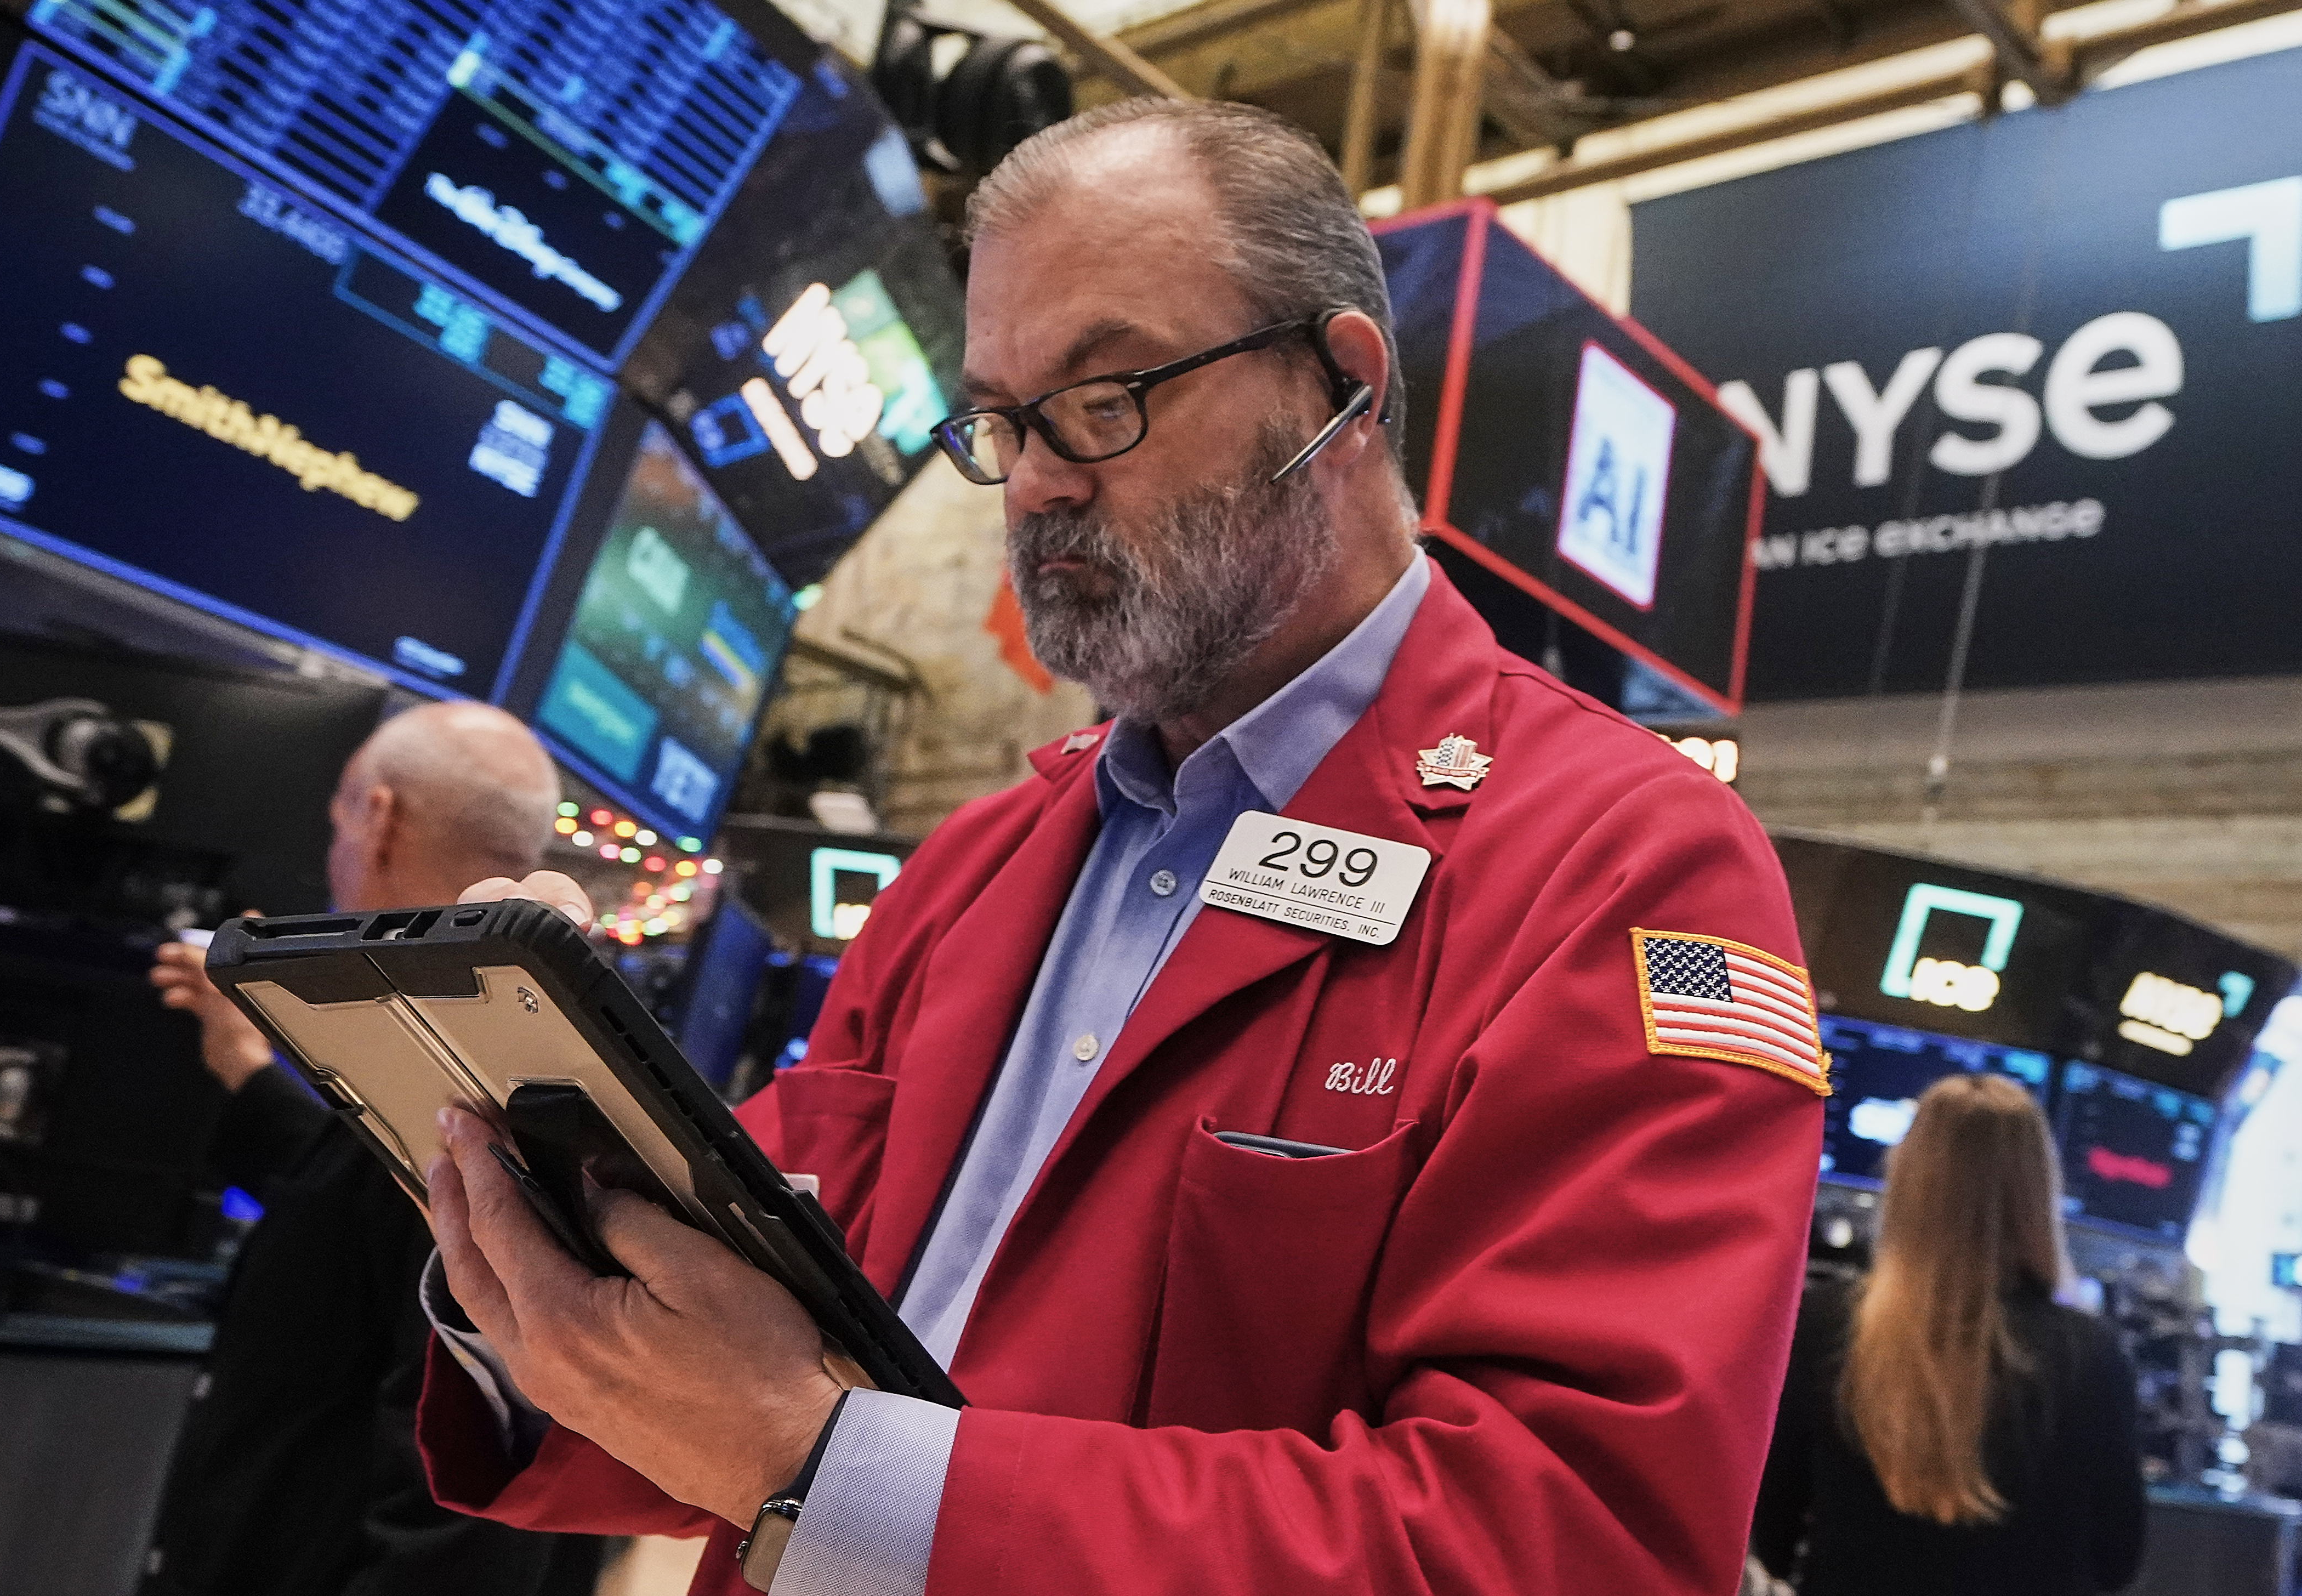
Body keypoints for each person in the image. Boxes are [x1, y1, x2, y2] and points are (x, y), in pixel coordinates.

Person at [415, 99, 1829, 1596]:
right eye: (1001, 421)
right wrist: (529, 1214)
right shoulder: (973, 865)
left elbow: (1565, 1538)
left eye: (1105, 399)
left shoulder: (1624, 863)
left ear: (1341, 386)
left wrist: (827, 1465)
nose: (1034, 481)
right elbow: (736, 1349)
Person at [142, 702, 603, 1596]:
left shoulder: (447, 1064)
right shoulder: (509, 1033)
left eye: (341, 816)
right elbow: (354, 1202)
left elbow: (464, 1511)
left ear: (380, 815)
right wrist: (245, 1064)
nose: (335, 847)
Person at [1749, 1074, 2147, 1594]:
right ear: (2038, 1193)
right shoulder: (2091, 1355)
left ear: (1909, 1180)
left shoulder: (1825, 1324)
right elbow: (2118, 1559)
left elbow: (1771, 1532)